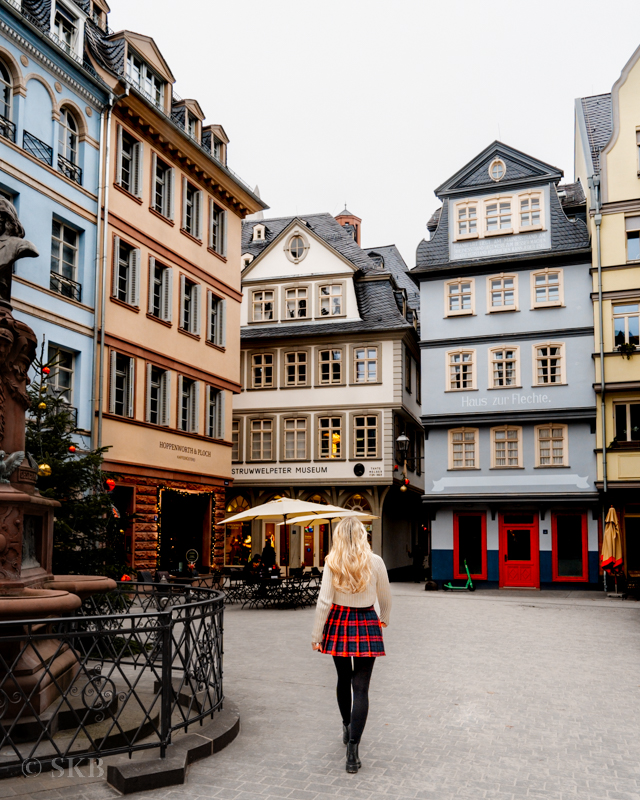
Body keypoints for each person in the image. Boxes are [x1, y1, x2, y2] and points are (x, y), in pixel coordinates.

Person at [311, 517, 391, 774]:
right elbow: (385, 596)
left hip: (339, 621)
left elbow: (324, 601)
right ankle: (353, 752)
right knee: (362, 688)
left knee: (343, 678)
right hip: (367, 620)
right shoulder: (375, 561)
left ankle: (346, 726)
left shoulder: (332, 562)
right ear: (362, 535)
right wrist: (384, 618)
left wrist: (317, 634)